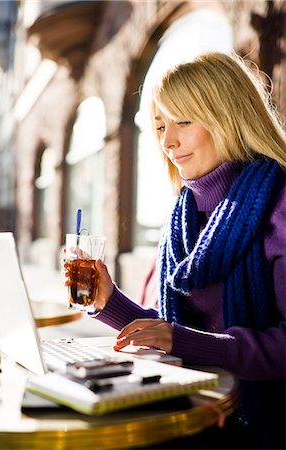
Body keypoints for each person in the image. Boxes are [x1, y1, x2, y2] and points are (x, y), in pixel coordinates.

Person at [64, 52, 286, 449]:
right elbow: (172, 333)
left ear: (230, 116)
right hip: (192, 408)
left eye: (183, 121)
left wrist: (182, 341)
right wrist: (109, 301)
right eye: (161, 125)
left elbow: (188, 339)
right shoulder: (181, 216)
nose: (168, 142)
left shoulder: (279, 207)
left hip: (258, 423)